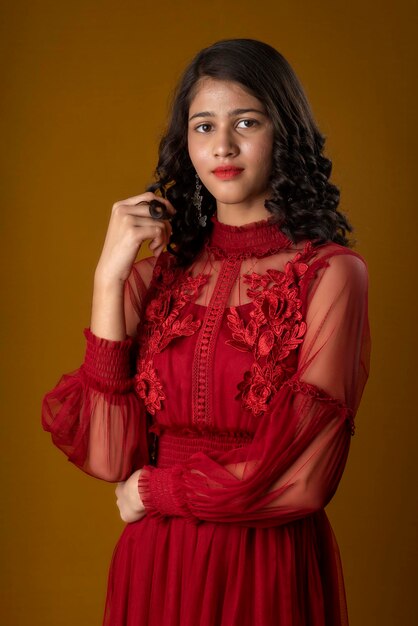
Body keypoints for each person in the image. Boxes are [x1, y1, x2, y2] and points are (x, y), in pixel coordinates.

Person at [41, 38, 371, 626]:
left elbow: (304, 478)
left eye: (247, 122)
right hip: (155, 564)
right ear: (185, 143)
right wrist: (107, 277)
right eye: (202, 126)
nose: (222, 146)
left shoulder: (330, 274)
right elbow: (111, 454)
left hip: (263, 561)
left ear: (284, 132)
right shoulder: (156, 278)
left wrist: (157, 492)